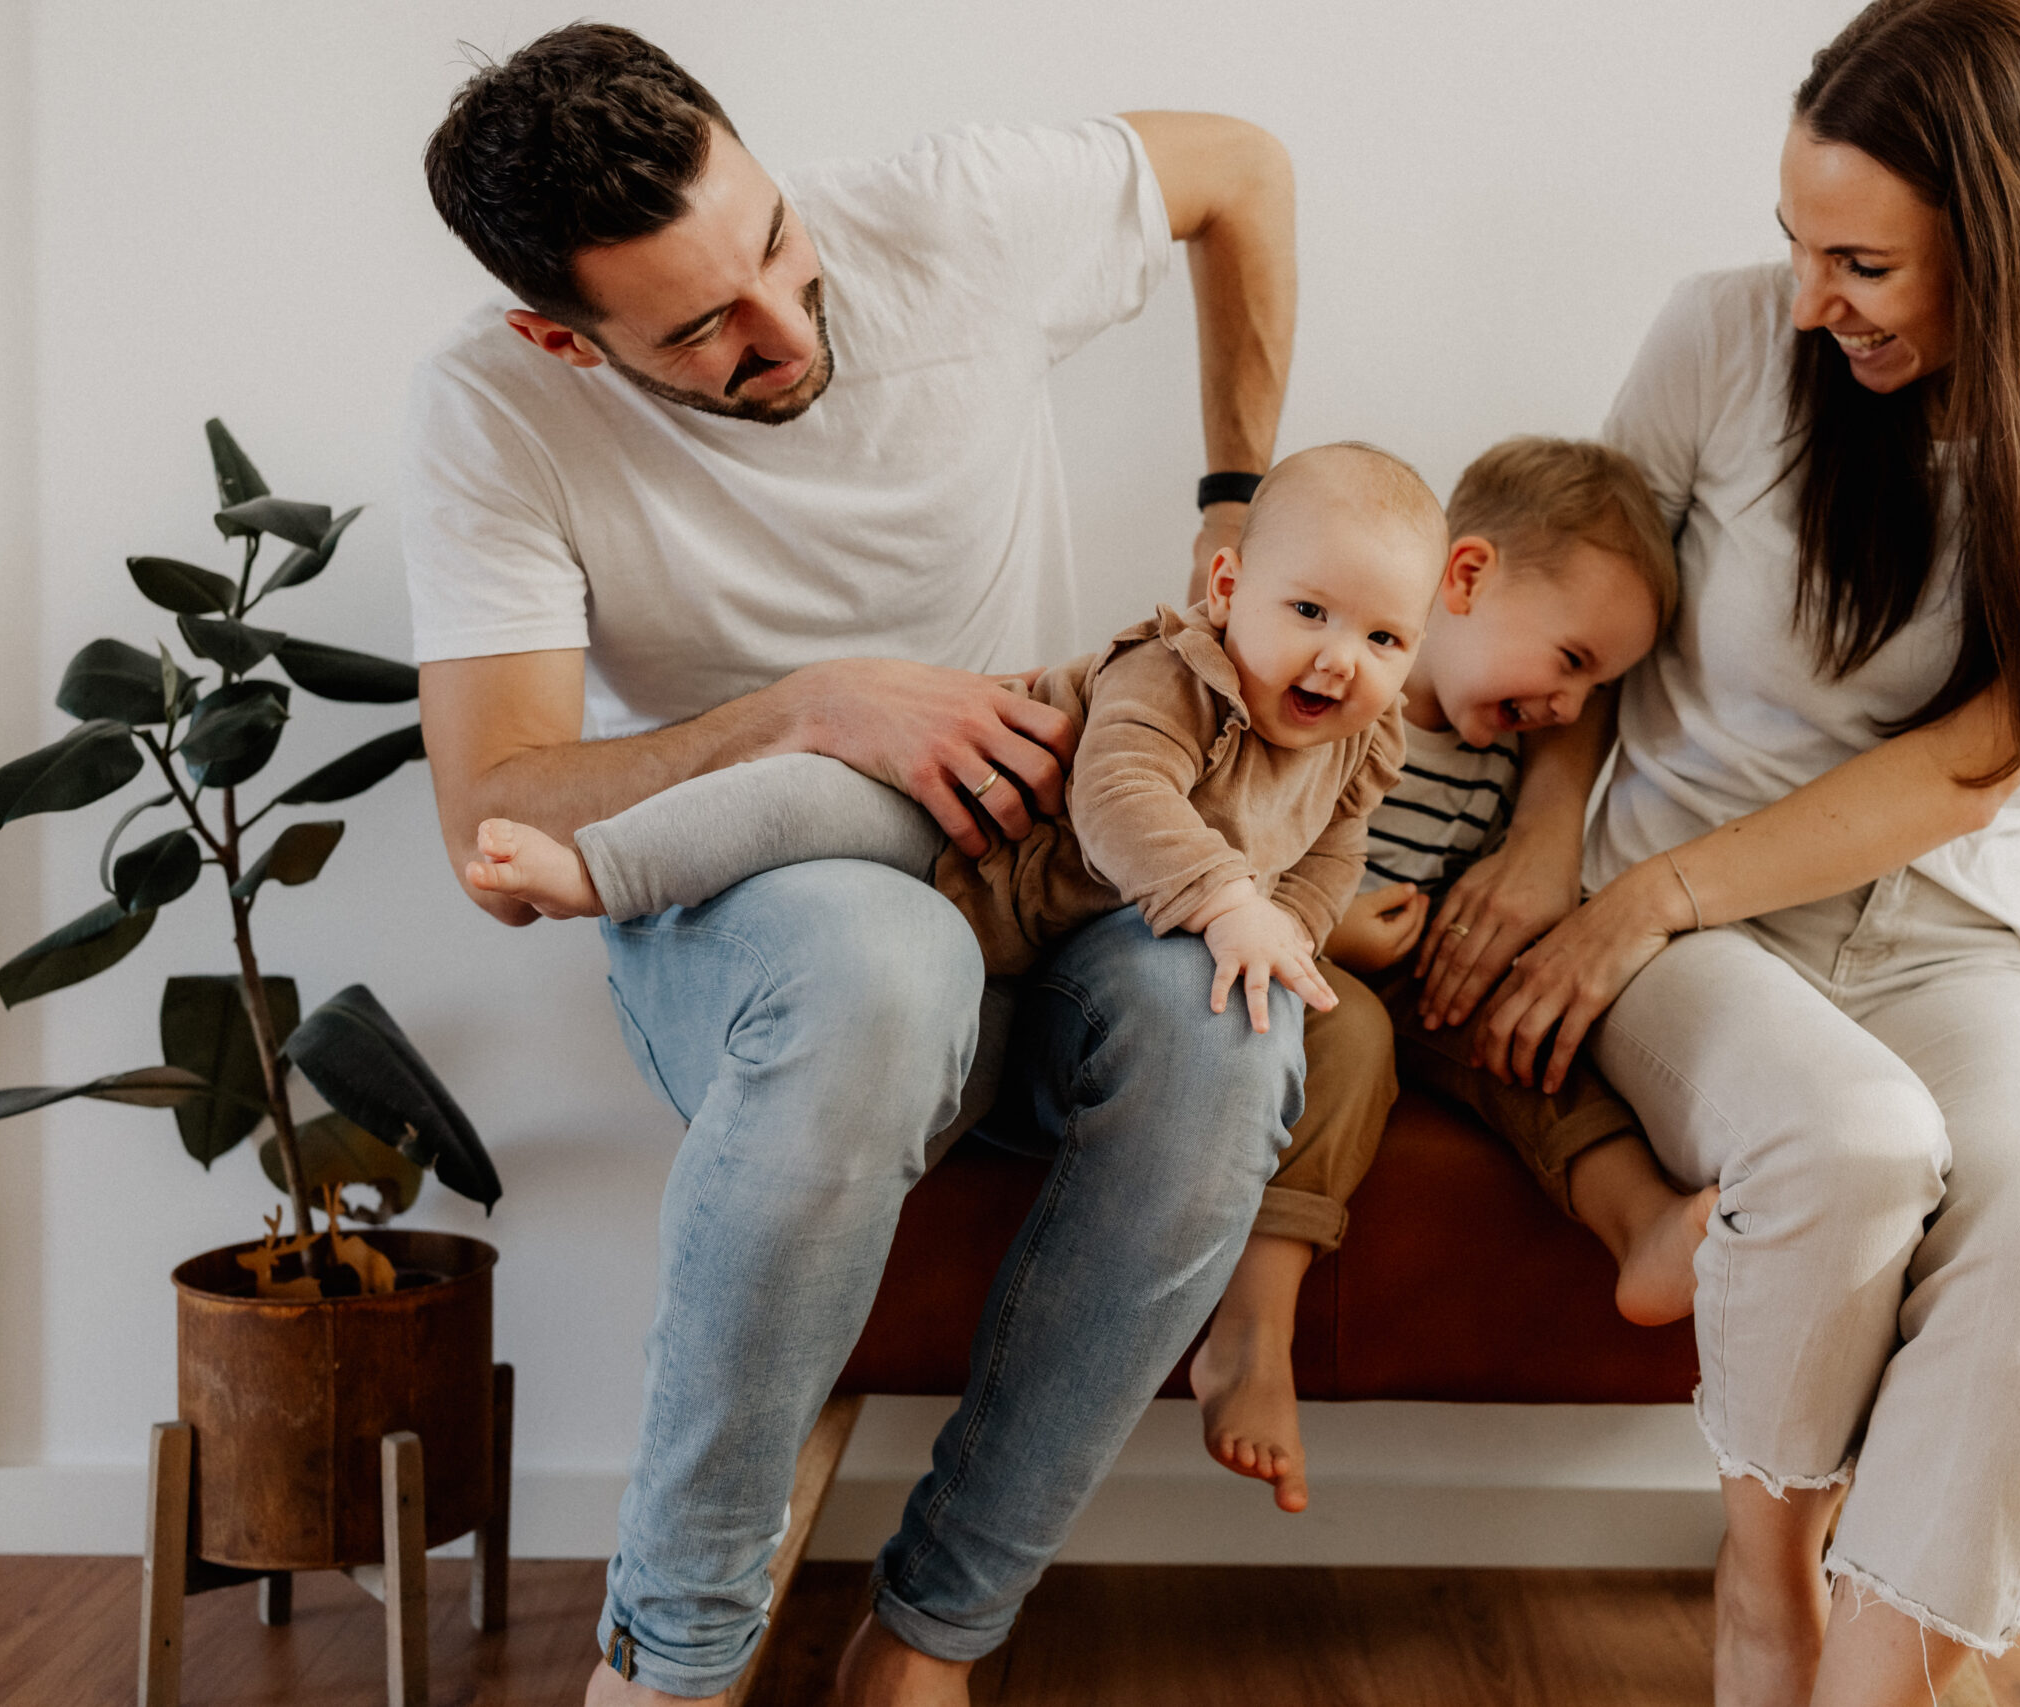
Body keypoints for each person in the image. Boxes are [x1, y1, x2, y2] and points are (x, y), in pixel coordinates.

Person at [405, 24, 1311, 1704]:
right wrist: (806, 711)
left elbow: (1242, 172)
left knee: (1229, 1021)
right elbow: (494, 818)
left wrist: (1235, 494)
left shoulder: (951, 218)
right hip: (763, 920)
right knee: (883, 963)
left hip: (1042, 871)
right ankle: (670, 1656)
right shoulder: (491, 407)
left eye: (772, 241)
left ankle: (933, 1632)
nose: (784, 324)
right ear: (561, 336)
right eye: (700, 330)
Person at [1455, 3, 2020, 1701]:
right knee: (1855, 1136)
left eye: (1863, 264)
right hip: (1690, 940)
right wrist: (1550, 851)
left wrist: (1647, 893)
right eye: (1800, 244)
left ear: (2010, 244)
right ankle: (1766, 1579)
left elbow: (1977, 761)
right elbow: (1585, 607)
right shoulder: (1723, 337)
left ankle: (1873, 1679)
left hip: (1953, 936)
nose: (1814, 298)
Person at [465, 442, 1443, 1039]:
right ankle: (599, 872)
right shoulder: (1175, 672)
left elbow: (1329, 853)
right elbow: (1120, 798)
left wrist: (1290, 929)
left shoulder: (1361, 744)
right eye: (1309, 611)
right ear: (1227, 590)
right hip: (962, 812)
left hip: (1024, 925)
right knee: (794, 799)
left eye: (1384, 639)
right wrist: (1232, 902)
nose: (1340, 660)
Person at [1187, 436, 1722, 1515]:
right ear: (1465, 579)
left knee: (1533, 1033)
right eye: (1571, 661)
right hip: (1298, 966)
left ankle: (1642, 1227)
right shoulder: (1326, 693)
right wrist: (1323, 932)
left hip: (1420, 979)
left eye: (1598, 686)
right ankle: (1252, 1329)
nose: (1570, 707)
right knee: (1353, 1038)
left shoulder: (1503, 761)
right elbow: (1214, 842)